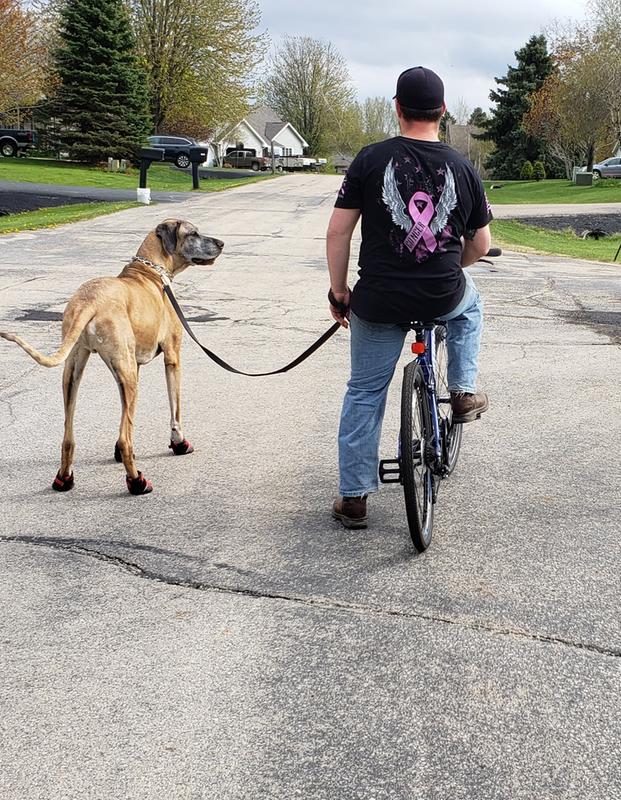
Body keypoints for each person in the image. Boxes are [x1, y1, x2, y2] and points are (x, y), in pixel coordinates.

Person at [326, 66, 493, 530]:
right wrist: (445, 269)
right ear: (442, 111)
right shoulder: (463, 167)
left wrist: (340, 292)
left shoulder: (369, 159)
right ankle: (460, 391)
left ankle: (354, 497)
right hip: (441, 293)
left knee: (364, 391)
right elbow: (479, 244)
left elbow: (339, 230)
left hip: (377, 299)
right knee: (471, 306)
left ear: (396, 108)